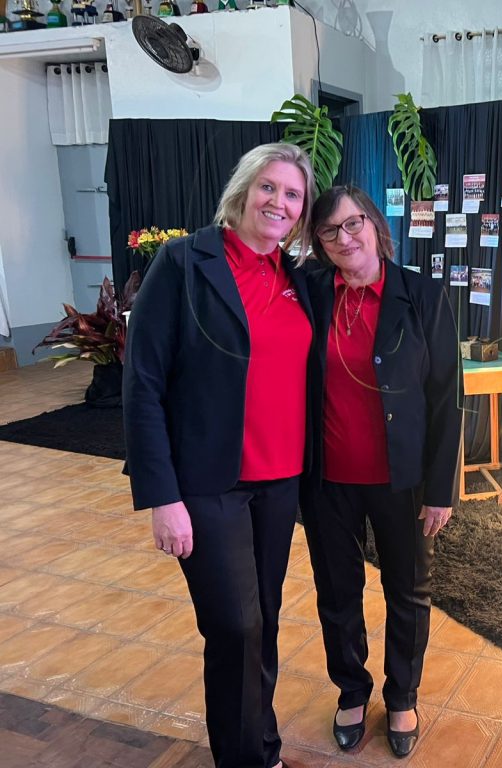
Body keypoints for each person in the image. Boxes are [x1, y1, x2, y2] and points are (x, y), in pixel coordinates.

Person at [123, 142, 316, 768]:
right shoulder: (185, 261)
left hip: (280, 480)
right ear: (243, 190)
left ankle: (262, 748)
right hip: (208, 482)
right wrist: (162, 497)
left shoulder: (297, 277)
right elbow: (143, 382)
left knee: (263, 620)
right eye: (269, 187)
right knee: (235, 626)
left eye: (293, 194)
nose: (279, 202)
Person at [299, 185, 461, 758]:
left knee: (408, 592)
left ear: (373, 224)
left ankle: (402, 695)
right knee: (337, 591)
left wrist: (441, 490)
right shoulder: (310, 293)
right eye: (329, 231)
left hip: (404, 480)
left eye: (353, 224)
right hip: (327, 480)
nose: (344, 238)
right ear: (318, 242)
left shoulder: (422, 295)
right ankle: (351, 688)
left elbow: (447, 397)